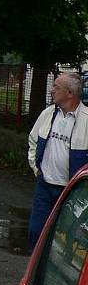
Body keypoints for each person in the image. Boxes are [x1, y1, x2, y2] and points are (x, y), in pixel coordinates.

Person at [27, 72, 88, 252]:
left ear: (70, 93)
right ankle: (35, 275)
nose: (52, 90)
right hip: (45, 186)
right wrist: (35, 167)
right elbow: (33, 140)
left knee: (66, 237)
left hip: (71, 192)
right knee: (36, 232)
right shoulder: (48, 114)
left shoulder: (86, 119)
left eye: (56, 87)